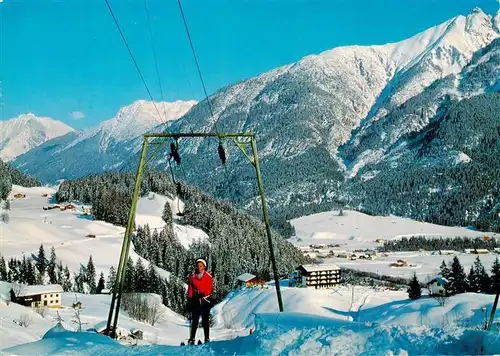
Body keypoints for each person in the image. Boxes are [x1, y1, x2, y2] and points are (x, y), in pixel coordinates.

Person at [187, 257, 214, 344]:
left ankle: (207, 338)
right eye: (198, 266)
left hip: (205, 301)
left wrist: (203, 294)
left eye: (201, 266)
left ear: (204, 267)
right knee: (195, 319)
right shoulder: (193, 277)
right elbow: (190, 289)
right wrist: (190, 299)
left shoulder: (208, 277)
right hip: (196, 301)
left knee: (205, 320)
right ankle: (192, 338)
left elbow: (209, 289)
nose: (199, 267)